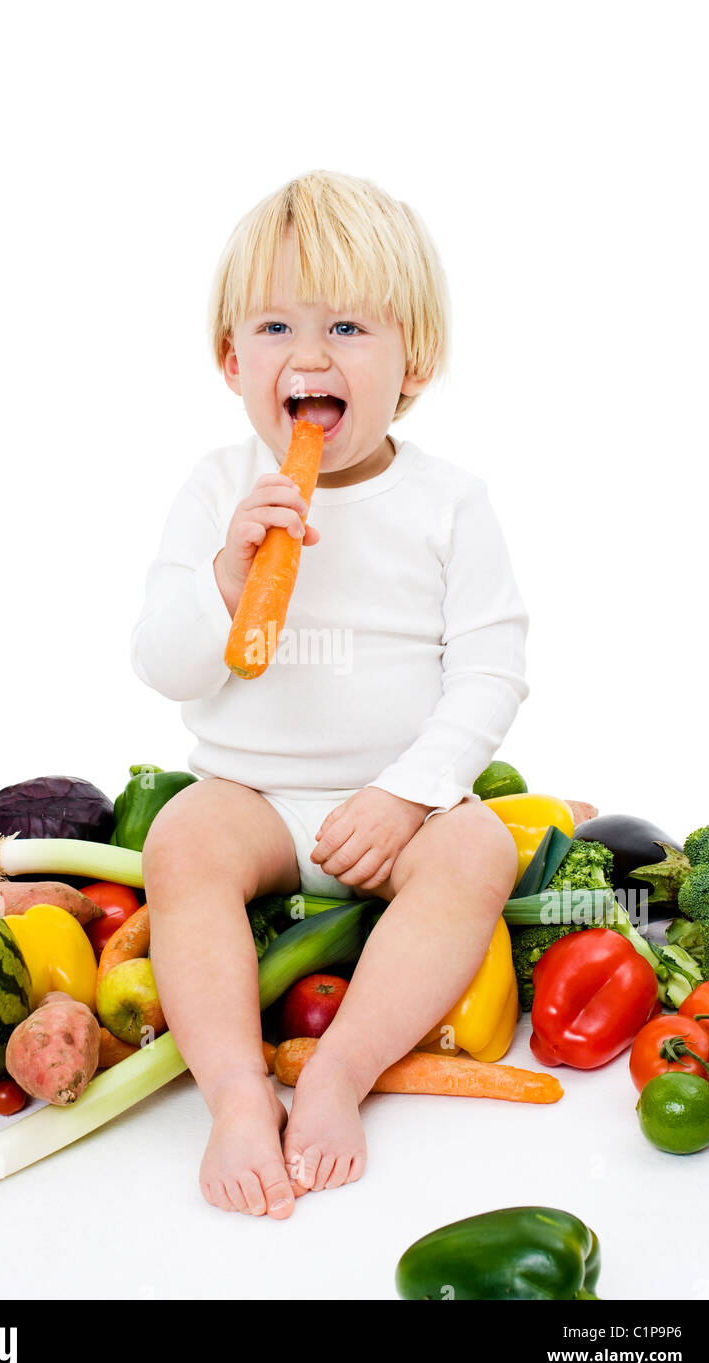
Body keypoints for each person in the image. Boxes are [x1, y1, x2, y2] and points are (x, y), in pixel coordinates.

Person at [131, 169, 529, 1220]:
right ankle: (230, 1093)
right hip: (250, 797)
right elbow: (165, 663)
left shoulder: (448, 503)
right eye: (274, 326)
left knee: (479, 849)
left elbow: (489, 667)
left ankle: (341, 1072)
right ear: (230, 360)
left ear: (415, 361)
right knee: (178, 845)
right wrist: (225, 579)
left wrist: (411, 793)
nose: (308, 356)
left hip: (397, 802)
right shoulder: (217, 489)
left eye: (347, 325)